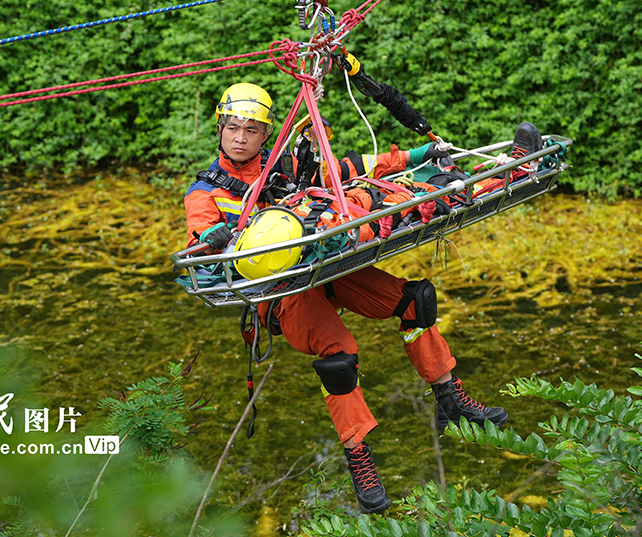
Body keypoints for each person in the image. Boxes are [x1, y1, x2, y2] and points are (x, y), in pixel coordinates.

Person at [184, 81, 539, 514]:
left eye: (251, 130)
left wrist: (415, 157)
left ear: (265, 134)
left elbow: (357, 166)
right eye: (233, 128)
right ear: (219, 129)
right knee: (340, 354)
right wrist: (213, 239)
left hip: (328, 264)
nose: (240, 138)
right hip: (283, 292)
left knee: (416, 300)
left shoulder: (287, 167)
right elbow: (200, 240)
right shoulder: (207, 192)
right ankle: (358, 456)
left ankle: (450, 399)